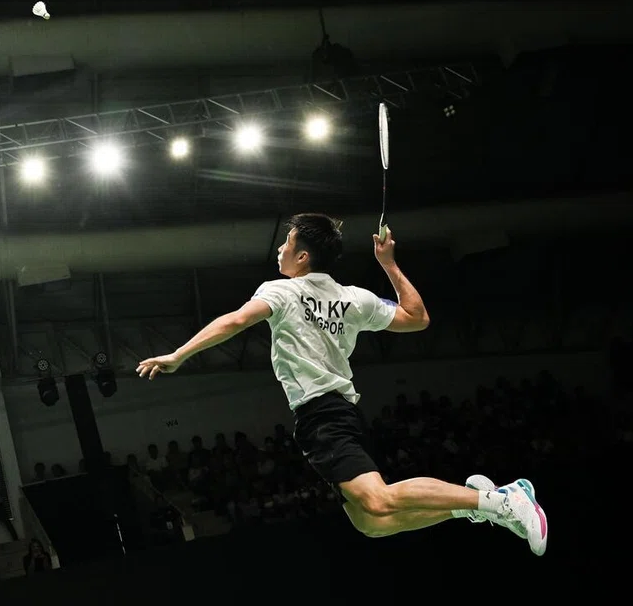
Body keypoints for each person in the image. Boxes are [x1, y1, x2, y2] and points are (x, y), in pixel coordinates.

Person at [137, 214, 548, 556]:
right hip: (339, 413)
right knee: (370, 523)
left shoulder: (281, 290)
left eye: (286, 242)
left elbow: (236, 320)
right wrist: (388, 264)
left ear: (301, 256)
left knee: (377, 501)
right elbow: (416, 316)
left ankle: (501, 501)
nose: (279, 248)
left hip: (323, 414)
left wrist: (178, 355)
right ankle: (474, 506)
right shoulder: (353, 298)